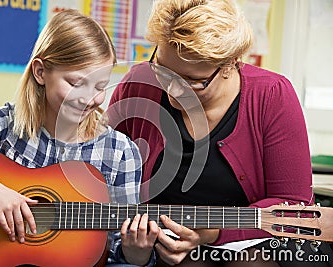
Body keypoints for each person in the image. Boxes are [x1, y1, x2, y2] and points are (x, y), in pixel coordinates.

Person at [107, 0, 333, 266]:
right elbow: (104, 173)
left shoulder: (272, 95)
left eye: (192, 82)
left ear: (230, 64)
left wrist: (213, 233)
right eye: (163, 72)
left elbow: (294, 205)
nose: (172, 90)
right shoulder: (137, 86)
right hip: (167, 245)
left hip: (260, 243)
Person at [0, 9, 144, 266]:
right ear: (41, 72)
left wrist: (137, 252)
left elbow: (120, 253)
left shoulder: (120, 152)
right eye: (76, 84)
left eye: (100, 87)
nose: (90, 98)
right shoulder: (7, 125)